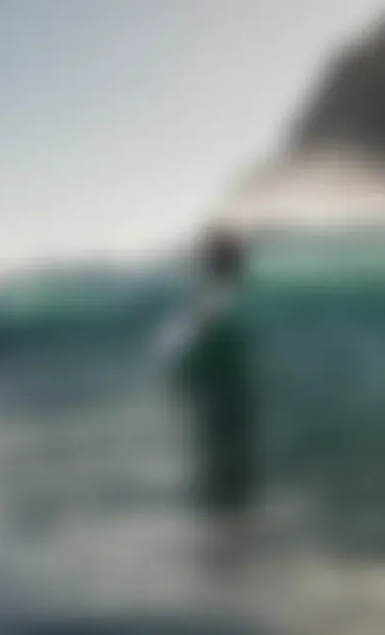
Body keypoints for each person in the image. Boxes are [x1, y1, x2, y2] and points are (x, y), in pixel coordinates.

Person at [160, 227, 255, 570]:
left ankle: (228, 523)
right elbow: (198, 324)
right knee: (225, 455)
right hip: (221, 391)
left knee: (226, 456)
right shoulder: (212, 291)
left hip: (222, 390)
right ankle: (228, 523)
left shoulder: (216, 289)